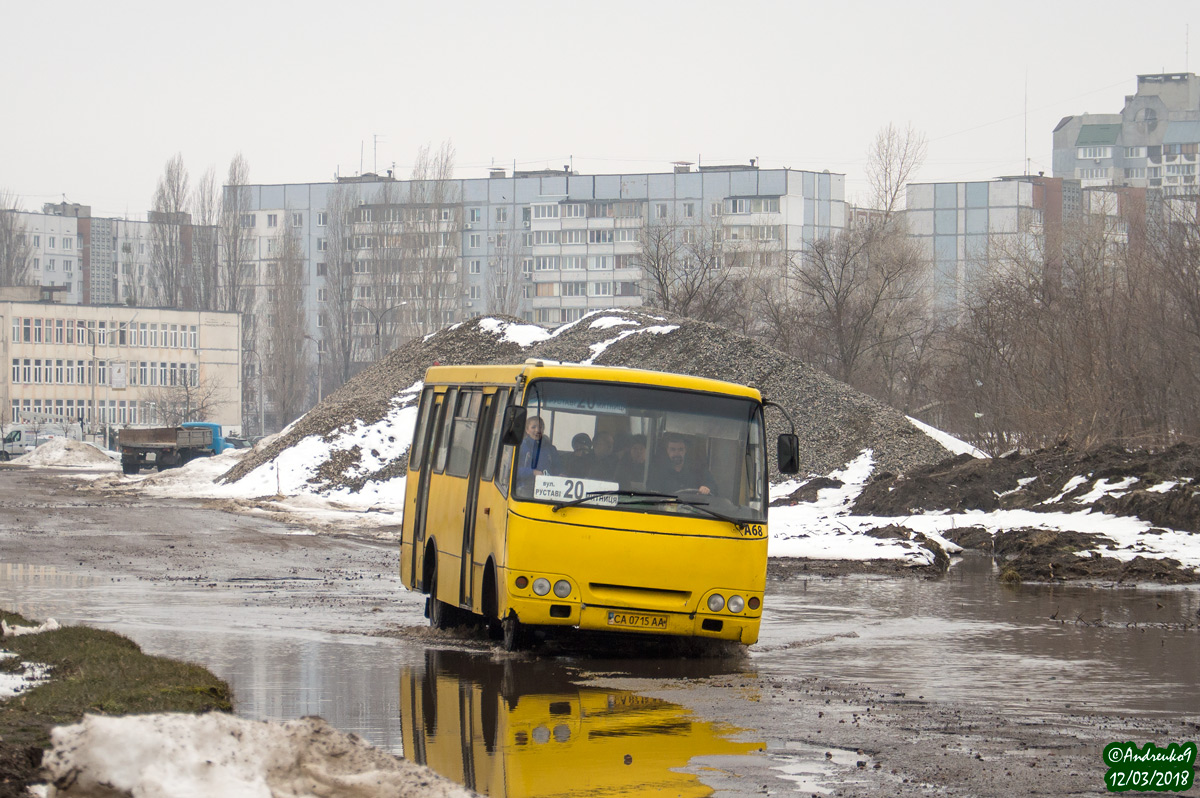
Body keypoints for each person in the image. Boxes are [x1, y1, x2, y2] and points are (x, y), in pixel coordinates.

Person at [648, 433, 717, 496]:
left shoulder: (697, 469)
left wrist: (706, 488)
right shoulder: (658, 471)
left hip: (693, 508)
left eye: (680, 449)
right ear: (667, 450)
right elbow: (653, 493)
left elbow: (712, 485)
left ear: (685, 450)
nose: (676, 453)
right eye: (673, 449)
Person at [516, 415, 559, 490]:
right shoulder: (520, 447)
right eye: (533, 427)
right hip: (524, 488)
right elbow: (514, 470)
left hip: (548, 487)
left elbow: (558, 466)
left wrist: (560, 474)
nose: (537, 430)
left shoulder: (551, 449)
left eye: (540, 427)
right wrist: (532, 472)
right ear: (527, 430)